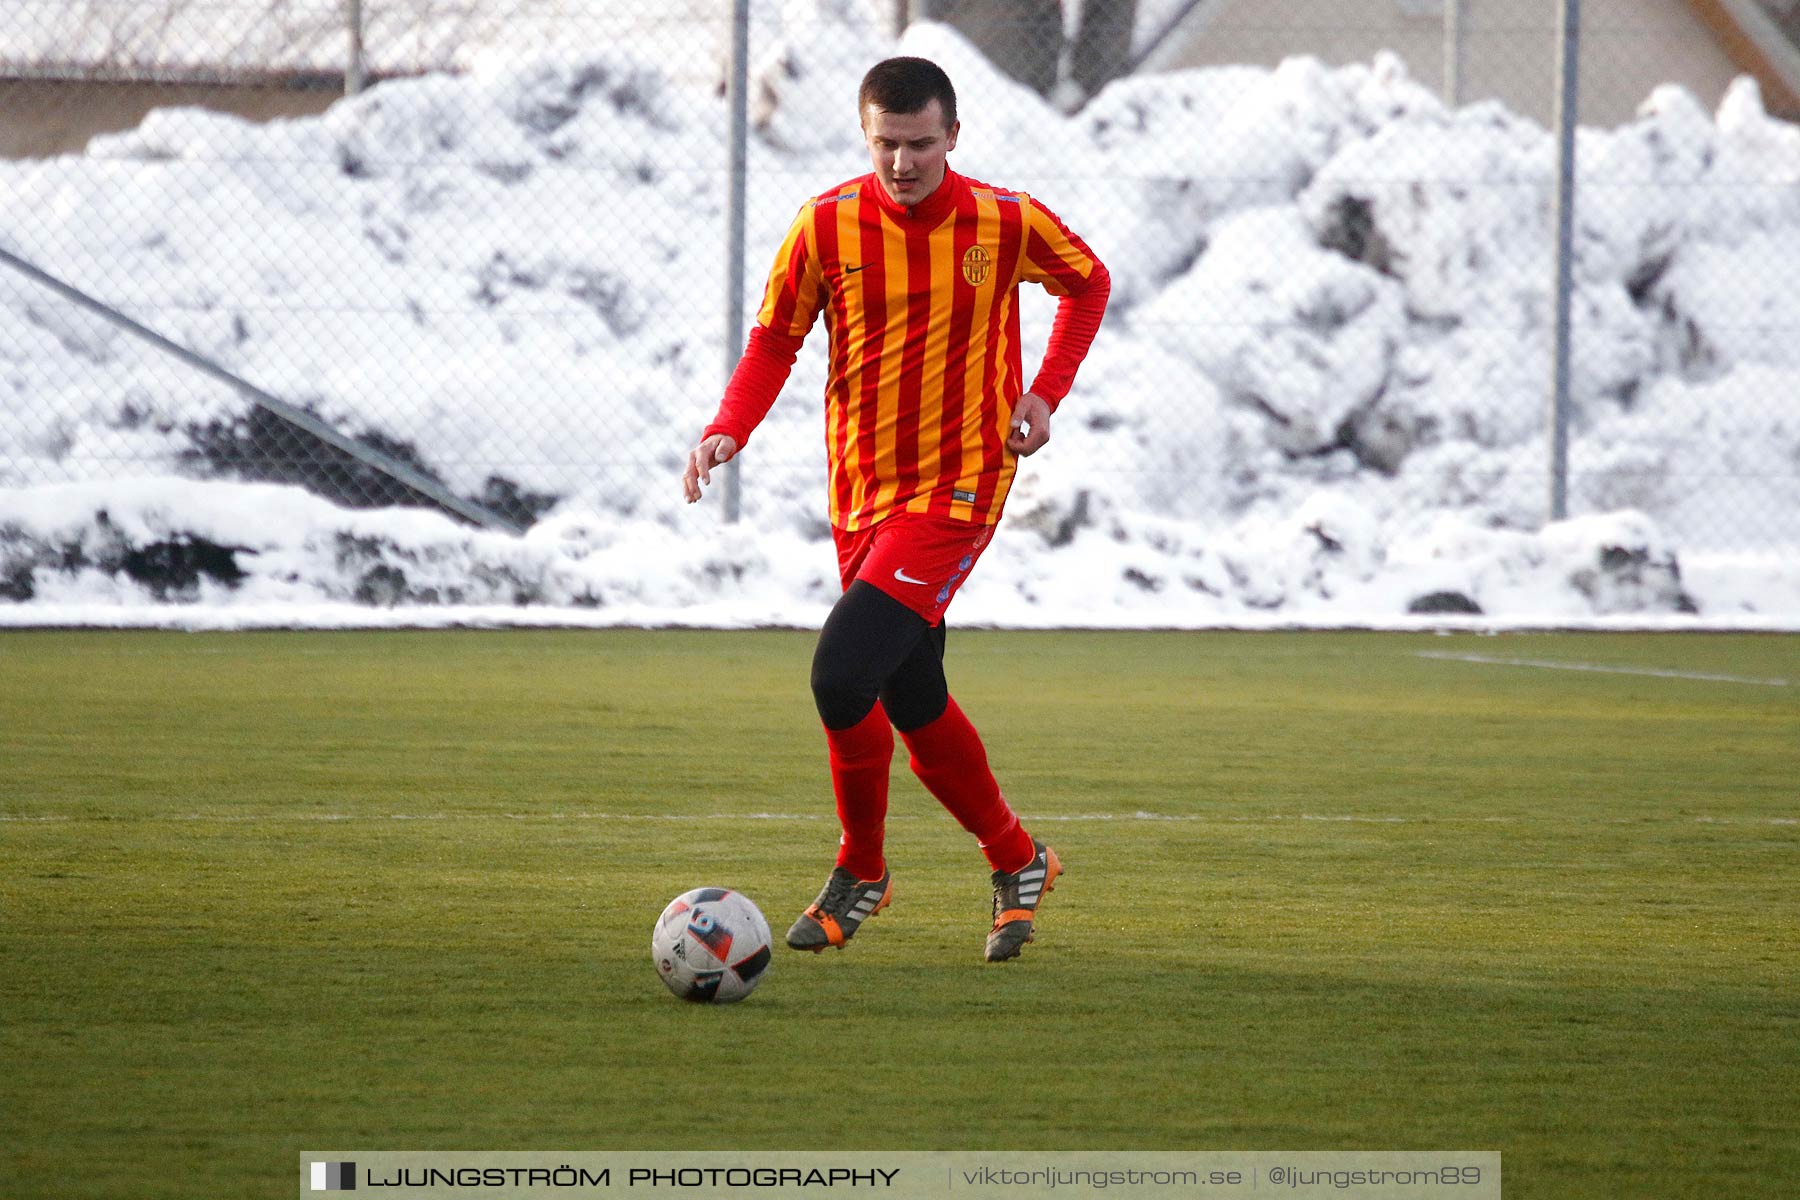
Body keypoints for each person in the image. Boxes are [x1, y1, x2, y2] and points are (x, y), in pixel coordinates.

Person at [682, 55, 1109, 962]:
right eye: (887, 144)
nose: (903, 162)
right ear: (864, 134)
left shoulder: (1006, 219)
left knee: (842, 674)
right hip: (862, 490)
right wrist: (729, 428)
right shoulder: (826, 225)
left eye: (920, 144)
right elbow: (773, 341)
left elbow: (1088, 282)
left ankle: (863, 868)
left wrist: (1044, 394)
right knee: (913, 696)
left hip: (959, 487)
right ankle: (1017, 859)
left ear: (953, 136)